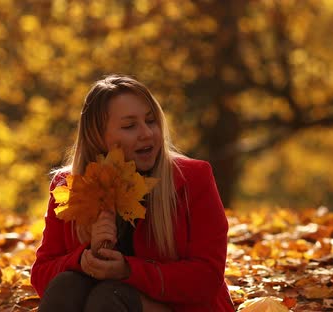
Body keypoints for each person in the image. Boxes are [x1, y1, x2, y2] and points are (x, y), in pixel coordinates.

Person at [31, 74, 234, 312]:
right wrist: (83, 260)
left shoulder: (193, 178)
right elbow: (41, 276)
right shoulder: (68, 185)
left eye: (151, 121)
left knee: (110, 296)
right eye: (129, 126)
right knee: (66, 283)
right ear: (98, 137)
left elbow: (207, 278)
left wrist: (128, 270)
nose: (146, 133)